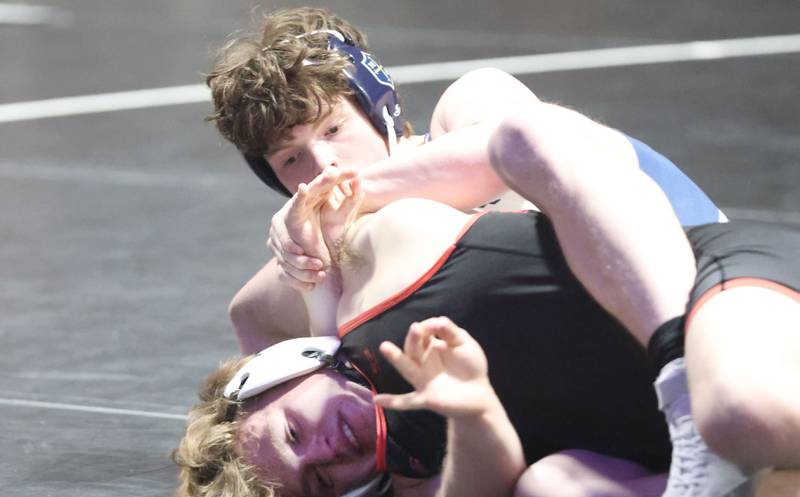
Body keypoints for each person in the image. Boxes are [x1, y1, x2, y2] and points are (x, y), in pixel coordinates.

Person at [164, 108, 800, 497]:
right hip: (696, 440)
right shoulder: (416, 479)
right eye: (321, 484)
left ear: (281, 372)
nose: (328, 452)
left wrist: (326, 218)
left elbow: (532, 140)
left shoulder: (363, 259)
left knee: (736, 416)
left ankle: (679, 370)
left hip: (725, 298)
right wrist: (472, 411)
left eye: (295, 434)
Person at [206, 7, 725, 355]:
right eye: (291, 159)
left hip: (708, 281)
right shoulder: (335, 239)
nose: (323, 165)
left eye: (334, 128)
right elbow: (250, 316)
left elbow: (511, 147)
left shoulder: (470, 104)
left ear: (380, 108)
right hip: (622, 352)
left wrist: (333, 213)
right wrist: (313, 272)